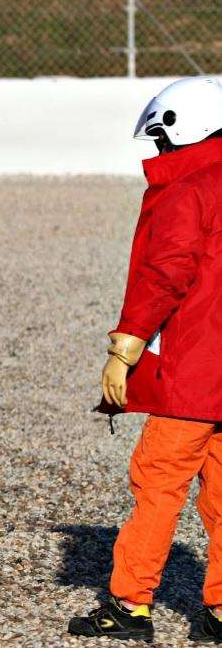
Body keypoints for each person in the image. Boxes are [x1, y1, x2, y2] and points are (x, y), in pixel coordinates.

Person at [69, 76, 222, 642]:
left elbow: (166, 277)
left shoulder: (188, 190)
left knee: (157, 484)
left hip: (196, 376)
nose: (156, 150)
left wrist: (124, 347)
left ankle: (130, 604)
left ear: (181, 131)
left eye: (160, 139)